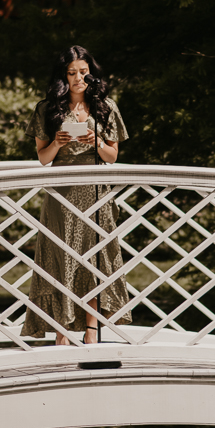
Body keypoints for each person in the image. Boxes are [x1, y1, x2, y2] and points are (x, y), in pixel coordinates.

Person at [22, 45, 132, 344]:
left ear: (92, 74)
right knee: (60, 258)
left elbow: (112, 157)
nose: (78, 78)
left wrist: (95, 140)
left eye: (84, 72)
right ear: (63, 76)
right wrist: (57, 143)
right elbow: (43, 158)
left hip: (95, 192)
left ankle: (92, 330)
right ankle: (61, 331)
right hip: (61, 194)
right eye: (72, 73)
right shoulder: (47, 109)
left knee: (94, 258)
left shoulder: (106, 107)